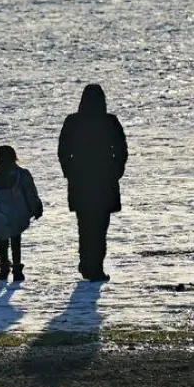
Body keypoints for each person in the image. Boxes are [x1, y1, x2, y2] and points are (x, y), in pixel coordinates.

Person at [58, 84, 127, 282]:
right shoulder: (109, 121)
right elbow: (121, 149)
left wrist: (70, 172)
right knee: (100, 227)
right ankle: (94, 266)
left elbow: (63, 150)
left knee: (85, 226)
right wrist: (116, 171)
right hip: (104, 182)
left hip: (81, 182)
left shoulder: (73, 121)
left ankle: (87, 264)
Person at [0, 145, 44, 283]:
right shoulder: (22, 174)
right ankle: (17, 270)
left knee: (3, 242)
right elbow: (30, 193)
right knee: (16, 240)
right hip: (17, 215)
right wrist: (36, 207)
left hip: (0, 216)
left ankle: (3, 270)